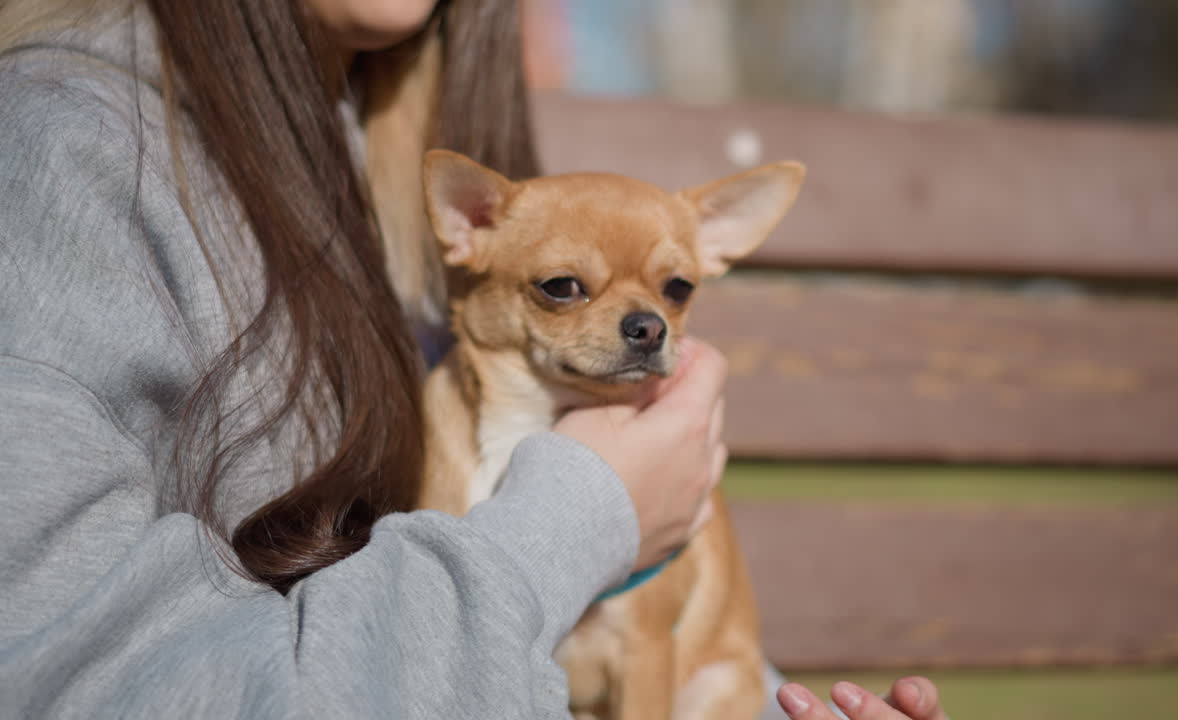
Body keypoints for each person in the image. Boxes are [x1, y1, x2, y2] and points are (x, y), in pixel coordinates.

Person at [0, 1, 945, 718]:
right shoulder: (71, 156)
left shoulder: (402, 163)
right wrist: (594, 513)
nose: (644, 322)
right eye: (564, 288)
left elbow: (691, 630)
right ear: (472, 231)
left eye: (674, 294)